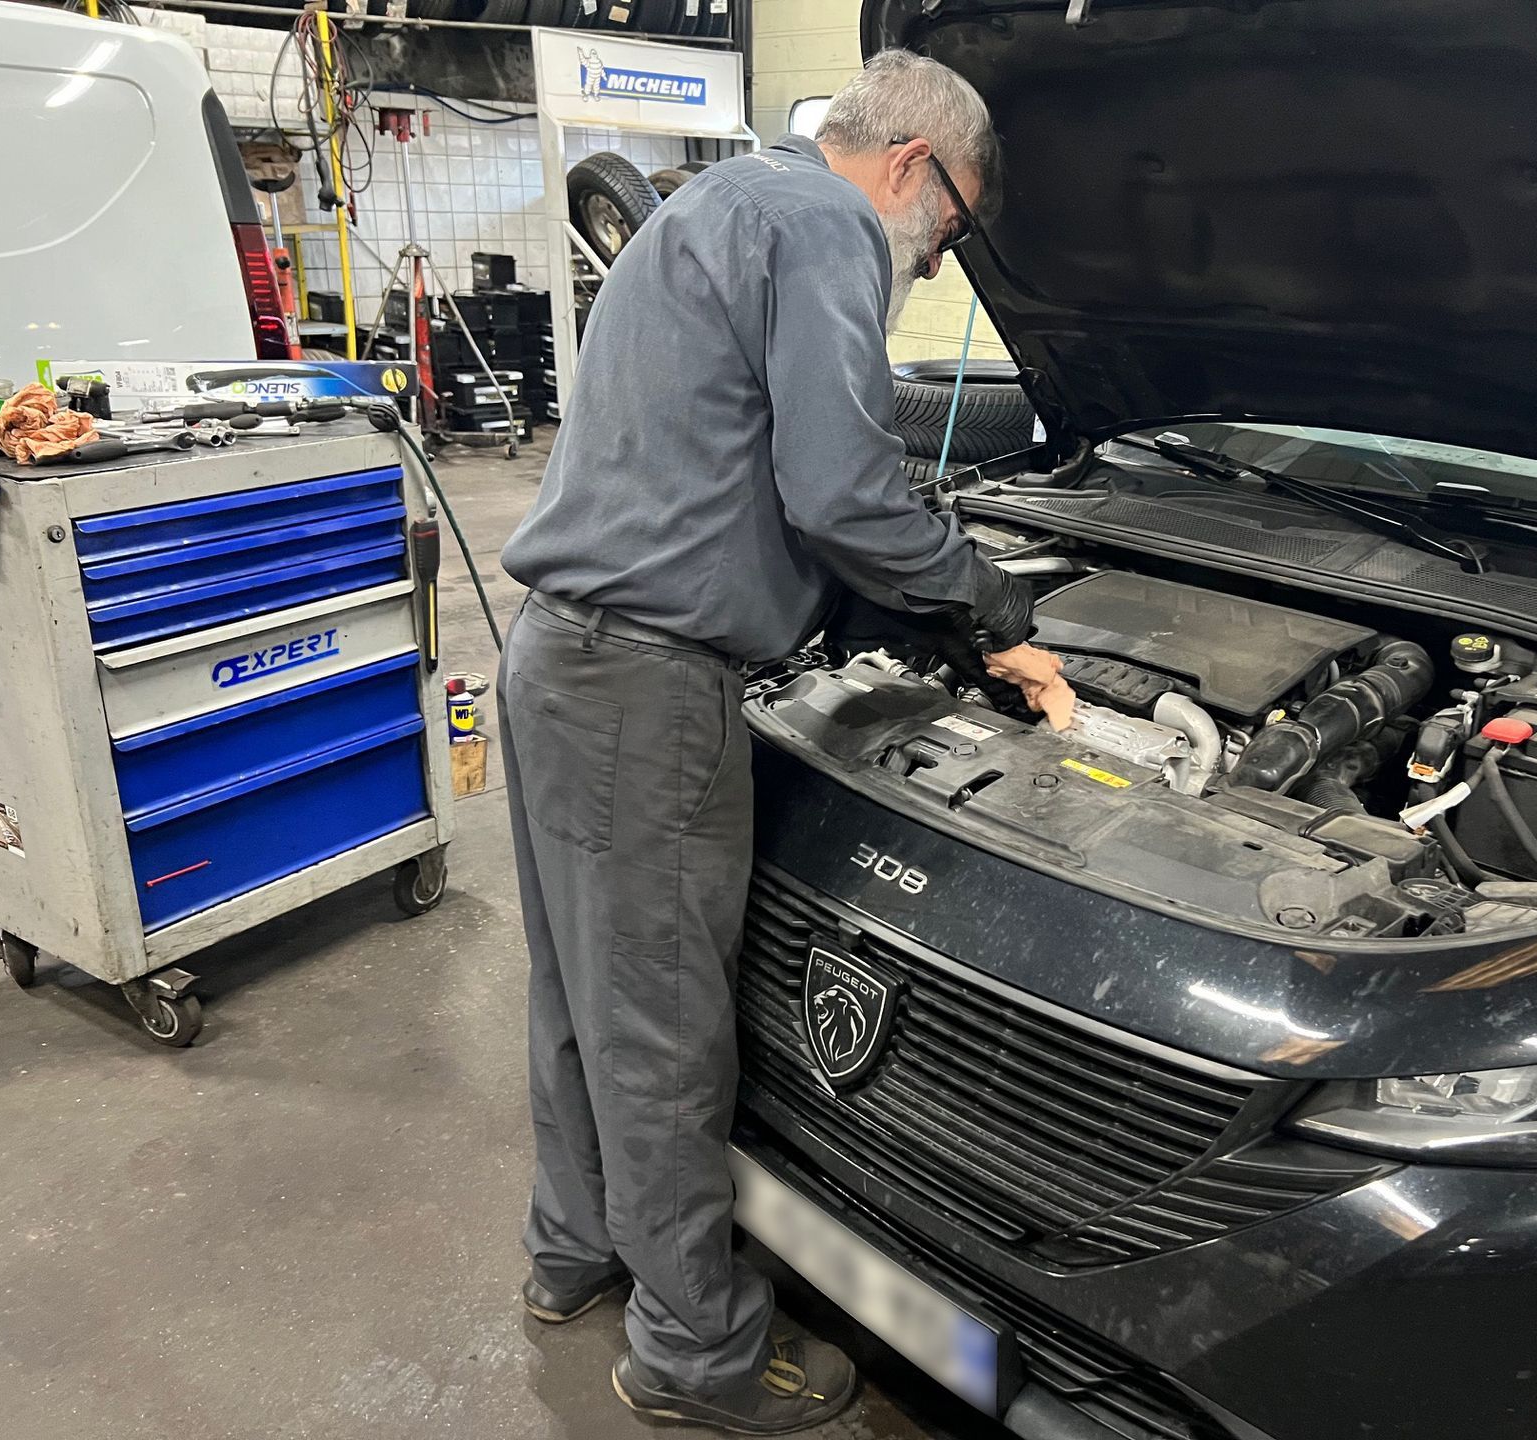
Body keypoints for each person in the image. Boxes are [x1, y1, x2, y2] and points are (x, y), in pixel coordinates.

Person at [496, 49, 1071, 1436]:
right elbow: (841, 490)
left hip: (560, 656)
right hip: (646, 686)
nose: (935, 268)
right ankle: (693, 1352)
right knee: (664, 1035)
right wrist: (987, 609)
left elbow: (756, 464)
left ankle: (573, 1255)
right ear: (910, 168)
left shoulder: (719, 201)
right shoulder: (825, 225)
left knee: (583, 995)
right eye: (949, 232)